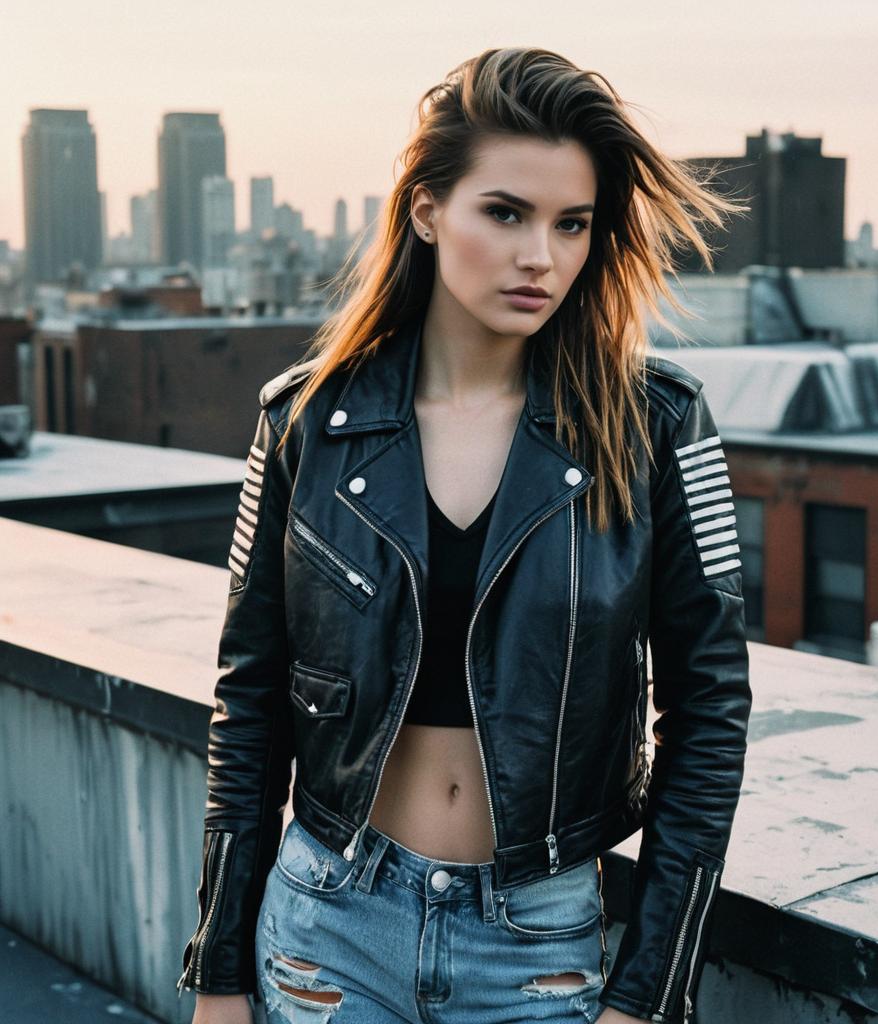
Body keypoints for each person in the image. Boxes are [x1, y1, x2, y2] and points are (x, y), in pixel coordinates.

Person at [177, 46, 751, 1024]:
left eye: (572, 224)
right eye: (506, 212)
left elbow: (709, 713)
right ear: (427, 210)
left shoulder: (655, 427)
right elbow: (249, 699)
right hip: (327, 930)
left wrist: (647, 992)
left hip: (536, 944)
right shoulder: (306, 423)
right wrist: (220, 971)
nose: (544, 256)